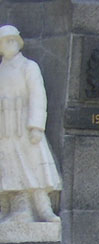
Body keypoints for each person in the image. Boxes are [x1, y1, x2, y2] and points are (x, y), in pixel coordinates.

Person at [0, 25, 61, 223]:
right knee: (10, 169)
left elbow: (37, 97)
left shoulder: (29, 67)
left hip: (24, 126)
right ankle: (16, 208)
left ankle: (41, 209)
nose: (9, 44)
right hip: (4, 127)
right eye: (5, 41)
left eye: (12, 40)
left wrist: (36, 126)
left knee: (33, 168)